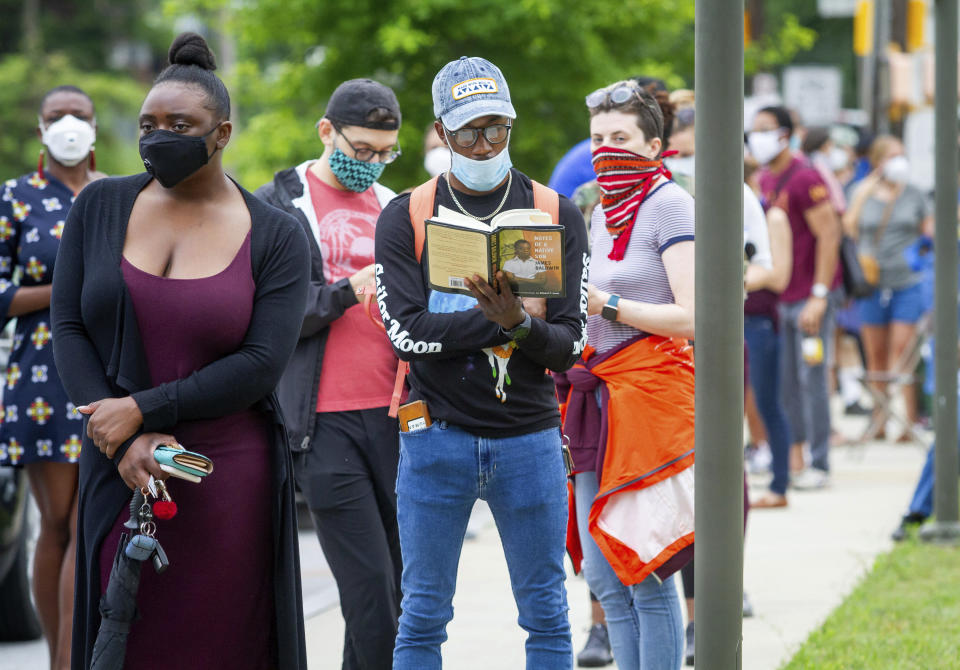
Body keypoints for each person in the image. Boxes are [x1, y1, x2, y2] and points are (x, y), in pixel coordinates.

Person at [51, 33, 310, 670]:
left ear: (221, 133)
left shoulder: (275, 235)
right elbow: (68, 326)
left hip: (222, 475)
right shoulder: (99, 206)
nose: (158, 135)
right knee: (121, 636)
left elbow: (259, 364)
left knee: (223, 639)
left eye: (179, 124)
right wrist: (119, 434)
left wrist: (140, 410)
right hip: (119, 466)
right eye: (147, 124)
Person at [374, 56, 588, 669]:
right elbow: (405, 334)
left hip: (531, 441)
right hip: (435, 439)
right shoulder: (408, 215)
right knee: (421, 615)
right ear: (442, 132)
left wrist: (519, 325)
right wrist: (495, 321)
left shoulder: (554, 213)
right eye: (469, 131)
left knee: (546, 612)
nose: (485, 142)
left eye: (497, 127)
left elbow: (571, 343)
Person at [255, 78, 403, 670]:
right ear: (326, 132)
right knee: (370, 591)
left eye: (384, 152)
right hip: (323, 425)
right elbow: (274, 317)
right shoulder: (278, 205)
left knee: (395, 588)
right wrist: (346, 291)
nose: (371, 163)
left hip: (399, 417)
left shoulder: (396, 204)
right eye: (361, 149)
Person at [560, 79, 694, 670]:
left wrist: (604, 306)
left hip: (648, 396)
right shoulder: (601, 209)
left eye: (621, 138)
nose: (606, 149)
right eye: (597, 139)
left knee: (645, 569)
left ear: (654, 145)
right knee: (604, 572)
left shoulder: (670, 204)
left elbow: (693, 317)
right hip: (596, 395)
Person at [0, 85, 104, 670]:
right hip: (41, 375)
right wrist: (66, 292)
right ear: (40, 129)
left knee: (91, 517)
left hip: (107, 371)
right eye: (57, 117)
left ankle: (75, 658)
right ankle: (61, 660)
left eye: (81, 117)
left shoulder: (117, 193)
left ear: (93, 127)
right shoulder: (14, 199)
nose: (70, 126)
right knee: (58, 522)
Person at [750, 105, 843, 490]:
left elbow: (830, 234)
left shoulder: (805, 177)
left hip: (810, 299)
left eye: (765, 130)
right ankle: (797, 457)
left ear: (785, 134)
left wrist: (819, 296)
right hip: (783, 299)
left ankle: (820, 462)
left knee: (812, 378)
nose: (757, 137)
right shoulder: (769, 178)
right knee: (787, 382)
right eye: (753, 130)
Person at [843, 135, 932, 439]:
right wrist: (864, 192)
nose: (899, 162)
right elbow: (849, 229)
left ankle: (907, 422)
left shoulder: (914, 194)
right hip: (872, 282)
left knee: (901, 353)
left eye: (902, 155)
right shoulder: (861, 191)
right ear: (879, 161)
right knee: (875, 355)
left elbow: (929, 230)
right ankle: (879, 421)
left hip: (907, 281)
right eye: (893, 156)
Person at [744, 157, 795, 508]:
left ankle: (780, 483)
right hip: (732, 319)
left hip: (760, 322)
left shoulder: (771, 215)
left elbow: (779, 276)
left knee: (767, 402)